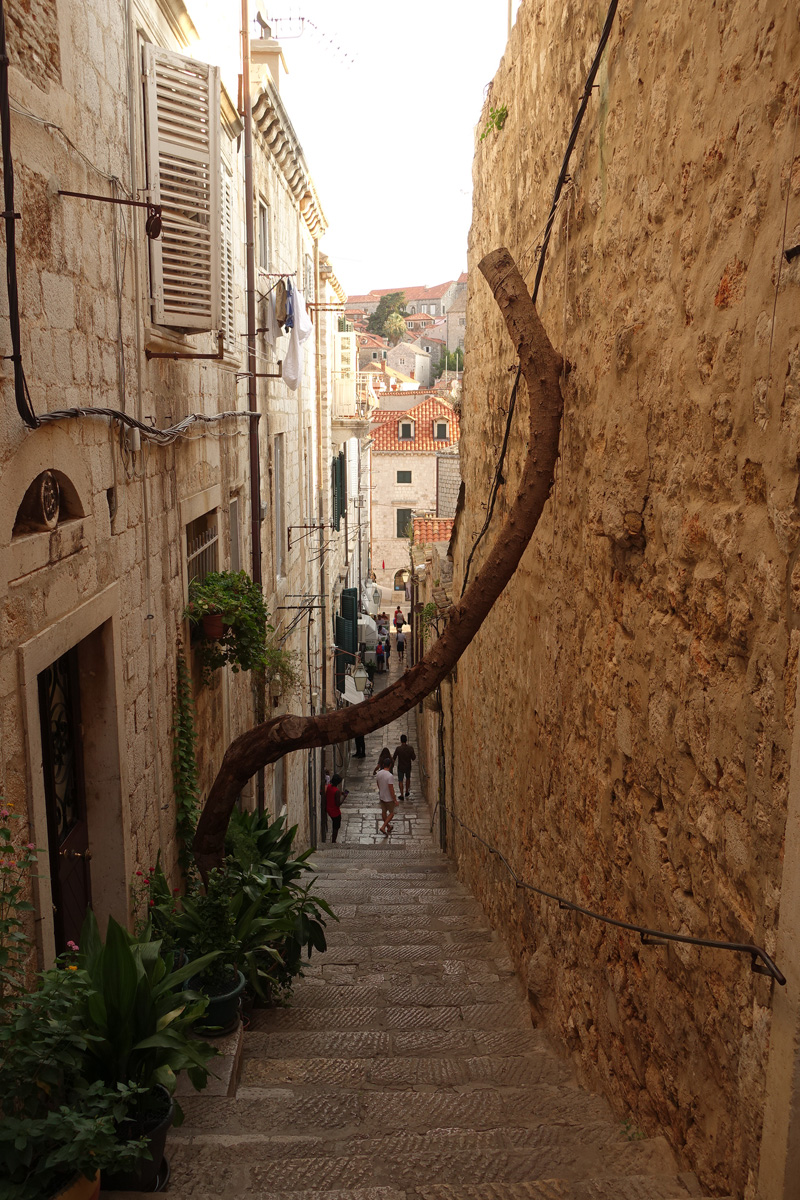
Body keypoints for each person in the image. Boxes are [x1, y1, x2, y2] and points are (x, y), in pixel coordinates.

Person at [392, 734, 416, 802]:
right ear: (406, 740)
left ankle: (402, 794)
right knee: (408, 778)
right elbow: (413, 758)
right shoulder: (410, 748)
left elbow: (394, 758)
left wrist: (392, 765)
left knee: (400, 780)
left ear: (400, 740)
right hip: (408, 766)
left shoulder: (398, 749)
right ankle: (406, 791)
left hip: (401, 767)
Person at [375, 761, 397, 836]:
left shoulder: (379, 773)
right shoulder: (390, 776)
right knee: (391, 813)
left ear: (383, 764)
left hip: (382, 796)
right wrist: (395, 799)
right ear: (390, 765)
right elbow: (391, 788)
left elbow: (378, 784)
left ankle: (388, 826)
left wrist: (381, 791)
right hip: (389, 798)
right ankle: (383, 827)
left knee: (384, 812)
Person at [325, 773, 348, 843]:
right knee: (336, 827)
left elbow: (331, 793)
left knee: (334, 824)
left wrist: (341, 793)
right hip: (335, 812)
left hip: (328, 809)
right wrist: (344, 797)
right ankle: (333, 841)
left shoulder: (328, 786)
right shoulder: (336, 791)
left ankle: (333, 840)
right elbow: (338, 804)